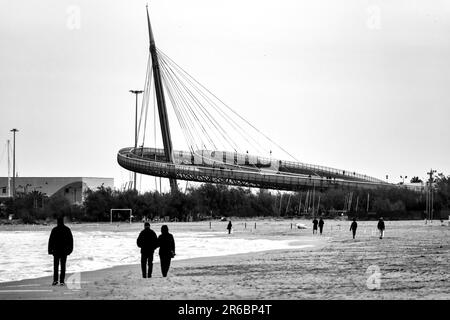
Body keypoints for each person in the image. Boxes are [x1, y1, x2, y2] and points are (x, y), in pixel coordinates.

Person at [48, 216, 73, 286]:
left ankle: (55, 280)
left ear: (57, 222)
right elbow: (71, 241)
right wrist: (70, 250)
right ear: (63, 221)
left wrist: (50, 250)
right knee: (63, 266)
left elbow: (50, 241)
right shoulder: (67, 229)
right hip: (64, 251)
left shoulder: (54, 229)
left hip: (56, 251)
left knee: (56, 266)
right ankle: (62, 281)